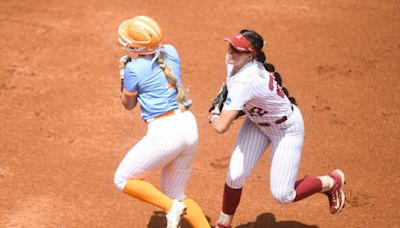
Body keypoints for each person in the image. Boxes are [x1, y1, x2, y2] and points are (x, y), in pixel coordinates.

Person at [208, 29, 346, 228]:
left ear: (250, 56)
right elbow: (229, 84)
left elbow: (221, 126)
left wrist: (214, 113)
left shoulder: (248, 80)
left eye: (237, 50)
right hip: (256, 123)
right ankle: (224, 224)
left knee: (283, 195)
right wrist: (222, 99)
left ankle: (331, 181)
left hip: (286, 129)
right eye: (230, 45)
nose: (230, 51)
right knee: (235, 174)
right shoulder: (235, 62)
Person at [113, 16, 210, 228]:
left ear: (133, 46)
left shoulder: (133, 69)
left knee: (123, 179)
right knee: (177, 195)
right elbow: (156, 61)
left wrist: (123, 75)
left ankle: (171, 207)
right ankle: (177, 207)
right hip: (188, 125)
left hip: (165, 132)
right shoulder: (171, 51)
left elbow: (128, 104)